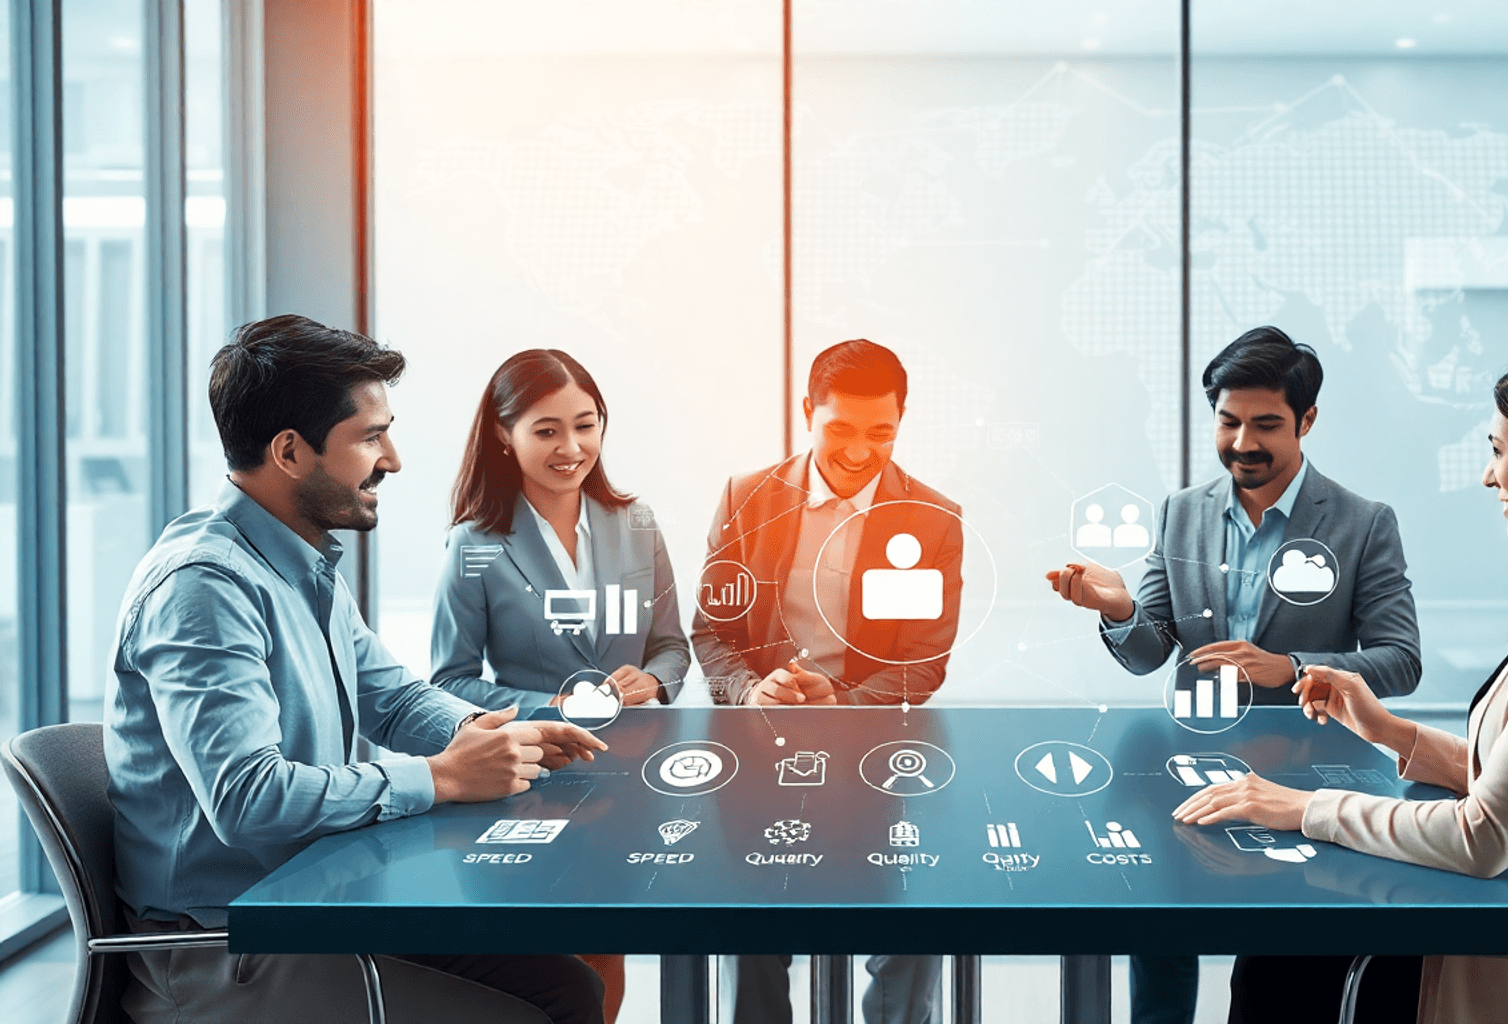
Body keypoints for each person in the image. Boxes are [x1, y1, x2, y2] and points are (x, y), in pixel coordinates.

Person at [1177, 350, 1508, 1024]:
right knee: (1282, 959)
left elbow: (1484, 835)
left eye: (1497, 450)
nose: (1489, 475)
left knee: (1282, 964)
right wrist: (1387, 730)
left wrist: (1302, 808)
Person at [106, 315, 609, 1024]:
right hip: (233, 946)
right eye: (370, 436)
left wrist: (490, 732)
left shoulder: (300, 564)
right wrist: (442, 777)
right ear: (289, 452)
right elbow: (248, 798)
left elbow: (395, 699)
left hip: (317, 903)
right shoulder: (202, 588)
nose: (393, 459)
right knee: (524, 1012)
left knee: (565, 986)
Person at [1045, 325, 1423, 1024]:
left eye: (1266, 424)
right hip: (1186, 762)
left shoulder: (1363, 523)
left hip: (1305, 772)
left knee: (1279, 979)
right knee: (1159, 934)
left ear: (1308, 420)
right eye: (1229, 421)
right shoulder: (1182, 513)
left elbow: (1401, 659)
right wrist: (1121, 605)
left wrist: (1295, 666)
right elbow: (1148, 650)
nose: (1243, 442)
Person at [691, 339, 963, 1024]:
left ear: (902, 421)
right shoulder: (747, 496)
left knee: (905, 929)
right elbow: (712, 632)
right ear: (807, 411)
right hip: (759, 749)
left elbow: (921, 660)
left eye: (881, 433)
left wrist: (841, 703)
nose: (858, 451)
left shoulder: (933, 518)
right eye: (839, 428)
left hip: (873, 751)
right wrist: (750, 693)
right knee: (753, 938)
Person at [431, 348, 692, 1020]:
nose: (571, 447)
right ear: (503, 433)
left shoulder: (636, 524)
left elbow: (671, 648)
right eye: (546, 430)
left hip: (626, 777)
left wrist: (654, 684)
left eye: (586, 424)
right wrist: (545, 706)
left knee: (607, 952)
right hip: (528, 779)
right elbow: (450, 681)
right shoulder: (476, 544)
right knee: (546, 958)